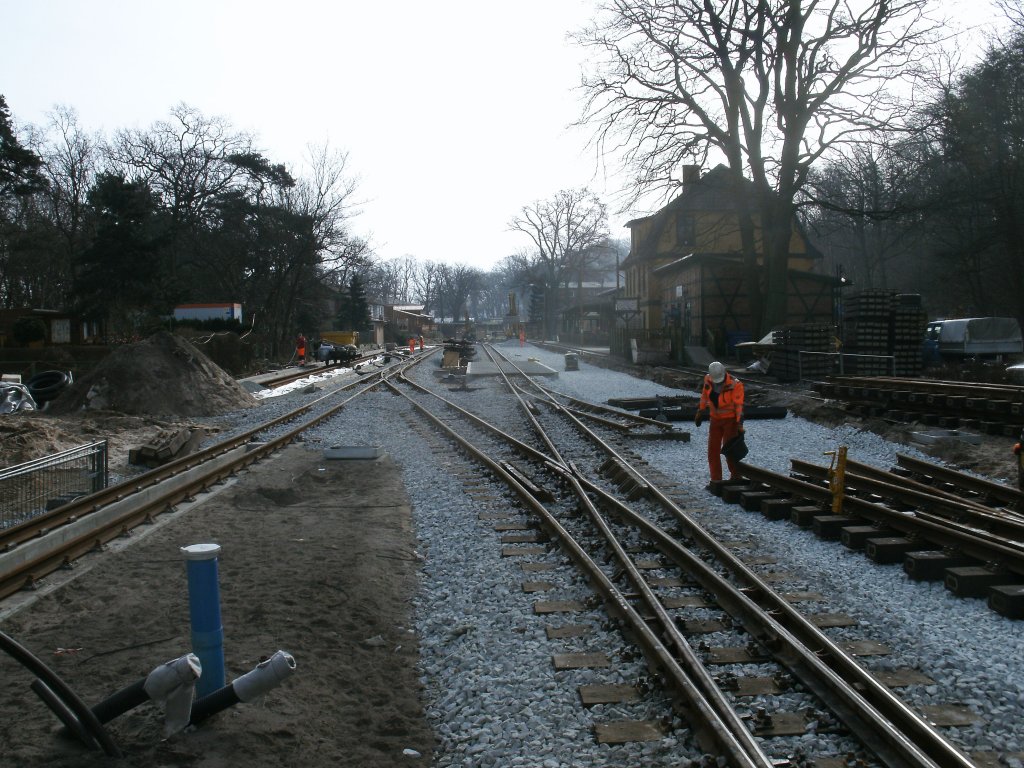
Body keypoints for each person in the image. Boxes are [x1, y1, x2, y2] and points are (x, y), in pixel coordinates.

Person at [694, 360, 745, 490]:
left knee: (729, 450)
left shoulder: (735, 384)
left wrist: (739, 424)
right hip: (715, 420)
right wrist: (700, 411)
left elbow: (739, 406)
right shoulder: (708, 379)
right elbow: (704, 396)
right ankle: (716, 480)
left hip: (730, 421)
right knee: (713, 451)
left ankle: (736, 476)